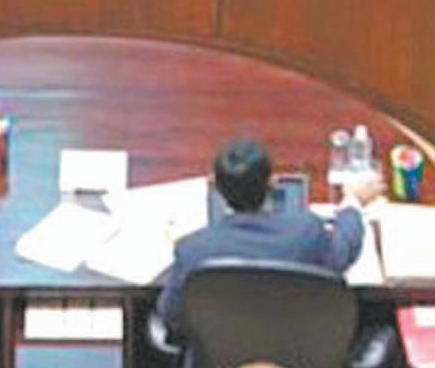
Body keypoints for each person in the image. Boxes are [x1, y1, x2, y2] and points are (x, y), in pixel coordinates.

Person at [155, 137, 384, 343]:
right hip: (300, 349)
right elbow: (345, 250)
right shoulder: (307, 231)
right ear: (273, 183)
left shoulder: (192, 250)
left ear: (215, 185)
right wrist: (352, 203)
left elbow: (171, 315)